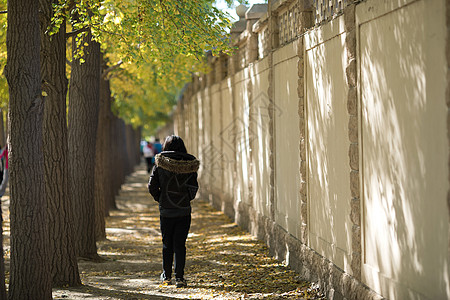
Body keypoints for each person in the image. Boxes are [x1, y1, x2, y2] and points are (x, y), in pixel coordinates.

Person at [148, 135, 199, 288]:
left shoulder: (160, 163)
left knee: (167, 244)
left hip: (166, 211)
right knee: (180, 245)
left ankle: (166, 276)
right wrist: (184, 200)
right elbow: (193, 188)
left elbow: (152, 186)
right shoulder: (190, 164)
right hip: (183, 211)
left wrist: (162, 199)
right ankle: (180, 278)